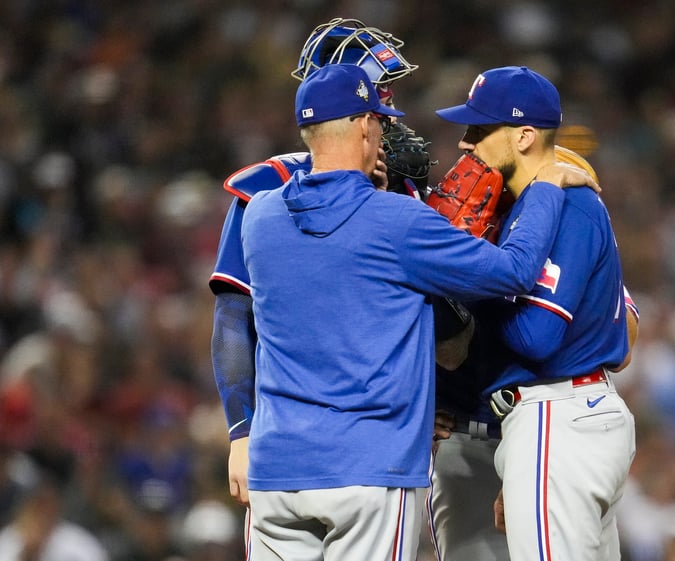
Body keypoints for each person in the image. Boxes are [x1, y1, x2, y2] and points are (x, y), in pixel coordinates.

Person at [240, 62, 568, 560]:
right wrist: (546, 184)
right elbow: (517, 271)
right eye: (380, 120)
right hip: (367, 470)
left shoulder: (260, 217)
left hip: (276, 472)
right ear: (366, 126)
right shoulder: (398, 221)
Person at [208, 18, 421, 509]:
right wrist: (240, 432)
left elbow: (428, 316)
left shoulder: (408, 194)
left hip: (384, 440)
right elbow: (233, 319)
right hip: (290, 442)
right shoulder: (266, 190)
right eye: (379, 96)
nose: (389, 112)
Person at [433, 66, 636, 561]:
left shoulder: (568, 205)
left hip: (556, 415)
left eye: (479, 130)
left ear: (525, 135)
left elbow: (537, 336)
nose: (464, 143)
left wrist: (471, 277)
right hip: (551, 419)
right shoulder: (518, 209)